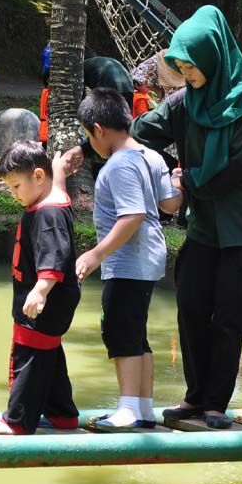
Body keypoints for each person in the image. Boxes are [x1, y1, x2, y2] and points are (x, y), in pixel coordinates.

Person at [131, 5, 242, 430]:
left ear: (213, 56)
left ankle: (216, 402)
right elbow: (141, 132)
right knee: (190, 304)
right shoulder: (183, 102)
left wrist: (187, 177)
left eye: (191, 66)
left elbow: (231, 168)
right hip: (205, 224)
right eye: (181, 67)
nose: (186, 74)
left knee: (229, 314)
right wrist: (169, 164)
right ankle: (195, 397)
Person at [69, 88, 183, 432]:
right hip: (149, 257)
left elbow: (132, 216)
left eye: (89, 134)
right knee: (135, 334)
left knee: (119, 332)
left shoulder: (119, 165)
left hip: (129, 262)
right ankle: (143, 408)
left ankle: (129, 409)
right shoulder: (151, 156)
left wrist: (94, 254)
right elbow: (170, 205)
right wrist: (180, 181)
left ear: (99, 129)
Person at [0, 141, 81, 435]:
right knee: (48, 352)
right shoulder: (51, 197)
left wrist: (39, 291)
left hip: (44, 298)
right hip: (52, 298)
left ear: (39, 177)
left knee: (27, 353)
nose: (14, 194)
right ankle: (62, 413)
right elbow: (57, 181)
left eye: (16, 186)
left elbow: (54, 256)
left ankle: (17, 420)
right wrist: (60, 167)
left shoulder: (48, 214)